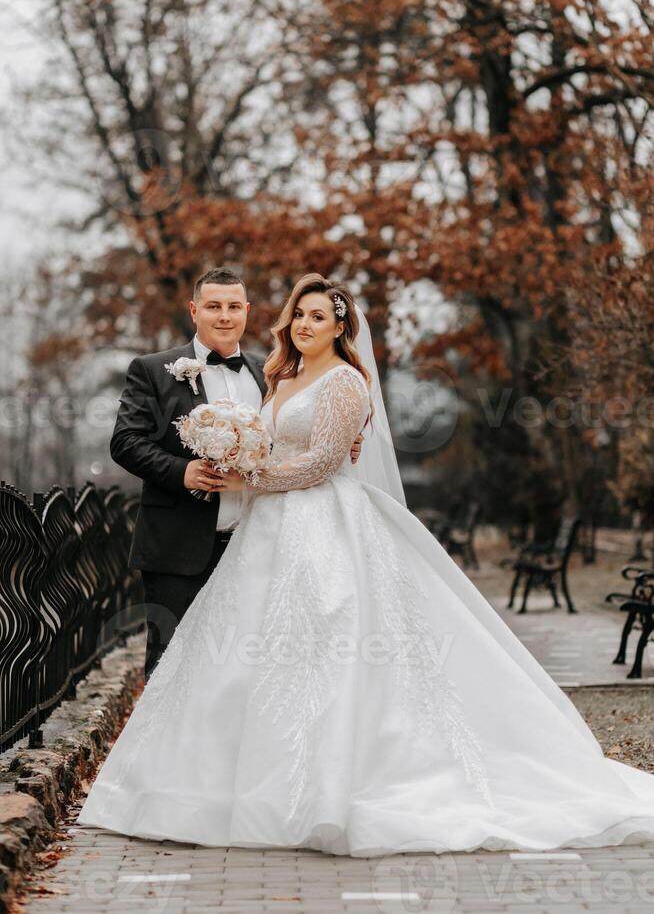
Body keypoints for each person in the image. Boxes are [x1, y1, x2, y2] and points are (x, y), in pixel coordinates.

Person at [78, 273, 654, 857]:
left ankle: (328, 787)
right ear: (200, 310)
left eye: (317, 318)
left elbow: (320, 465)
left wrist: (250, 474)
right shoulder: (276, 373)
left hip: (323, 528)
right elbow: (192, 442)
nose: (304, 325)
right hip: (260, 532)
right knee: (231, 661)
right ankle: (197, 787)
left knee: (331, 650)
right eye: (298, 315)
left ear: (341, 327)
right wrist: (235, 463)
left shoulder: (343, 380)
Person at [109, 267, 364, 681]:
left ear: (246, 311)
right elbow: (125, 442)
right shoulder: (154, 369)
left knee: (238, 674)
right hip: (179, 547)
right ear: (195, 311)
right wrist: (182, 471)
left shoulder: (274, 372)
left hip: (257, 543)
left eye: (233, 307)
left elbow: (300, 430)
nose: (224, 316)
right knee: (170, 669)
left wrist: (348, 441)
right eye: (213, 307)